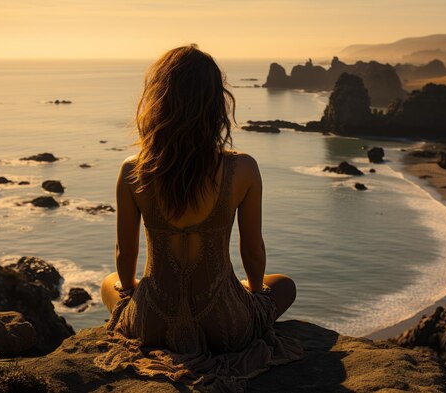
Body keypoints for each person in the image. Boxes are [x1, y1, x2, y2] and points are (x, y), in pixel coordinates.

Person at [95, 44, 302, 391]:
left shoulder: (133, 170)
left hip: (153, 323)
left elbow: (124, 254)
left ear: (159, 101)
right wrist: (256, 299)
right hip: (225, 324)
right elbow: (253, 252)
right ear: (216, 103)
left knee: (107, 283)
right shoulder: (243, 169)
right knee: (284, 285)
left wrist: (130, 294)